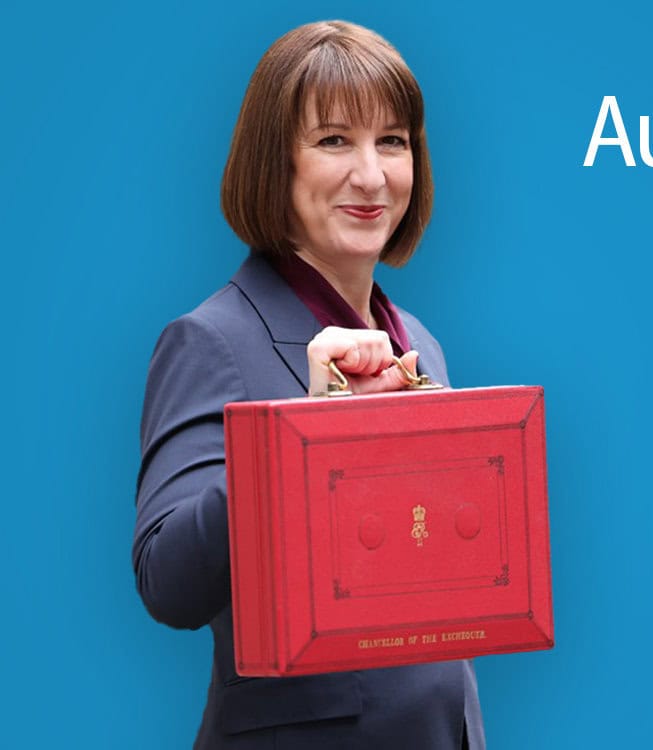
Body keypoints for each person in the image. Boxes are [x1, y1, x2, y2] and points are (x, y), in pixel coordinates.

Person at [133, 21, 485, 749]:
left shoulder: (421, 343)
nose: (371, 174)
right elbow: (168, 582)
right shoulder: (213, 340)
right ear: (274, 164)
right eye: (333, 141)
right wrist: (307, 430)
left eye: (392, 141)